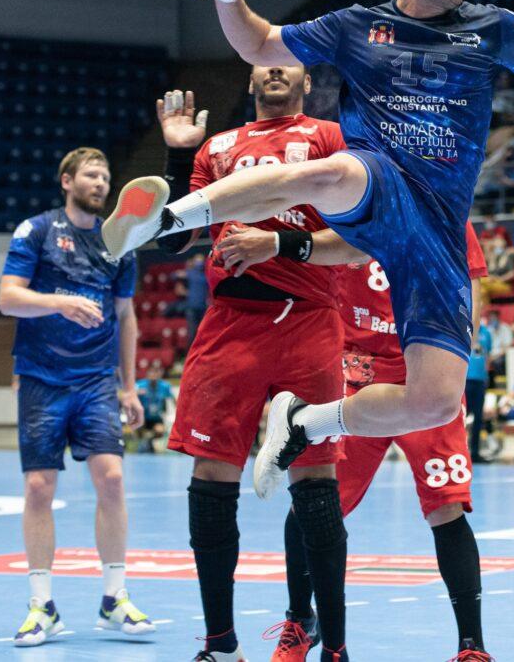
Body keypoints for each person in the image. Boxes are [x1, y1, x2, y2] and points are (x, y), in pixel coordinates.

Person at [100, 0, 514, 509]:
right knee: (336, 172)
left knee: (435, 401)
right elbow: (259, 42)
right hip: (380, 182)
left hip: (439, 228)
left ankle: (305, 424)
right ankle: (165, 219)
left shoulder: (493, 27)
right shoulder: (356, 27)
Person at [153, 70, 353, 662]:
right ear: (248, 79)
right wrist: (176, 153)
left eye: (286, 61)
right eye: (264, 62)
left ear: (305, 78)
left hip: (310, 319)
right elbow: (171, 238)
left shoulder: (330, 138)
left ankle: (335, 648)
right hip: (230, 324)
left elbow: (356, 234)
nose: (274, 70)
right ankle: (221, 646)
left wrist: (276, 245)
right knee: (211, 479)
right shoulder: (217, 148)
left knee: (316, 482)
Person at [261, 223, 494, 662]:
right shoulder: (349, 197)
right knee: (313, 501)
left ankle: (472, 648)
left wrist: (460, 351)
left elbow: (471, 280)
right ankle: (299, 620)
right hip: (353, 371)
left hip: (424, 370)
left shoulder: (445, 205)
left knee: (447, 505)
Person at [0, 147, 154, 646]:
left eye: (106, 176)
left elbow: (126, 316)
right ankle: (41, 606)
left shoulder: (120, 244)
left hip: (95, 383)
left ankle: (114, 598)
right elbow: (8, 298)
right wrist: (59, 302)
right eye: (91, 174)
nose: (100, 183)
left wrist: (128, 385)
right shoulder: (37, 231)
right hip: (43, 379)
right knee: (39, 488)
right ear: (66, 180)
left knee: (111, 479)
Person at [467, 312, 493, 467]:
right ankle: (457, 451)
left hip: (479, 380)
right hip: (464, 380)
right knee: (459, 417)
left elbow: (487, 356)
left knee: (478, 418)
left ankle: (475, 452)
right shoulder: (463, 325)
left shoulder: (486, 333)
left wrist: (486, 376)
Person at [135, 360, 174, 453]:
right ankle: (144, 442)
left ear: (160, 373)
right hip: (142, 417)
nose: (154, 374)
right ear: (148, 373)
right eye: (152, 372)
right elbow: (131, 398)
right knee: (137, 428)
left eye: (156, 372)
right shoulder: (140, 385)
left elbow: (173, 400)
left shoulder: (165, 386)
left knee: (160, 431)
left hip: (156, 418)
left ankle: (149, 441)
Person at [480, 234, 514, 301]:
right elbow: (484, 246)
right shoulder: (492, 256)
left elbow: (512, 273)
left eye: (498, 245)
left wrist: (498, 279)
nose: (497, 248)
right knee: (481, 290)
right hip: (490, 282)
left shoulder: (508, 256)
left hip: (504, 284)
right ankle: (485, 309)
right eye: (495, 245)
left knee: (480, 284)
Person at [484, 308, 513, 380]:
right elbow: (486, 347)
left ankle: (500, 382)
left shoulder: (506, 328)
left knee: (498, 362)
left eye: (494, 317)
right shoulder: (488, 330)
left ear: (498, 318)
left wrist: (493, 357)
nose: (492, 319)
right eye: (491, 317)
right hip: (490, 355)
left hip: (501, 355)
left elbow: (507, 348)